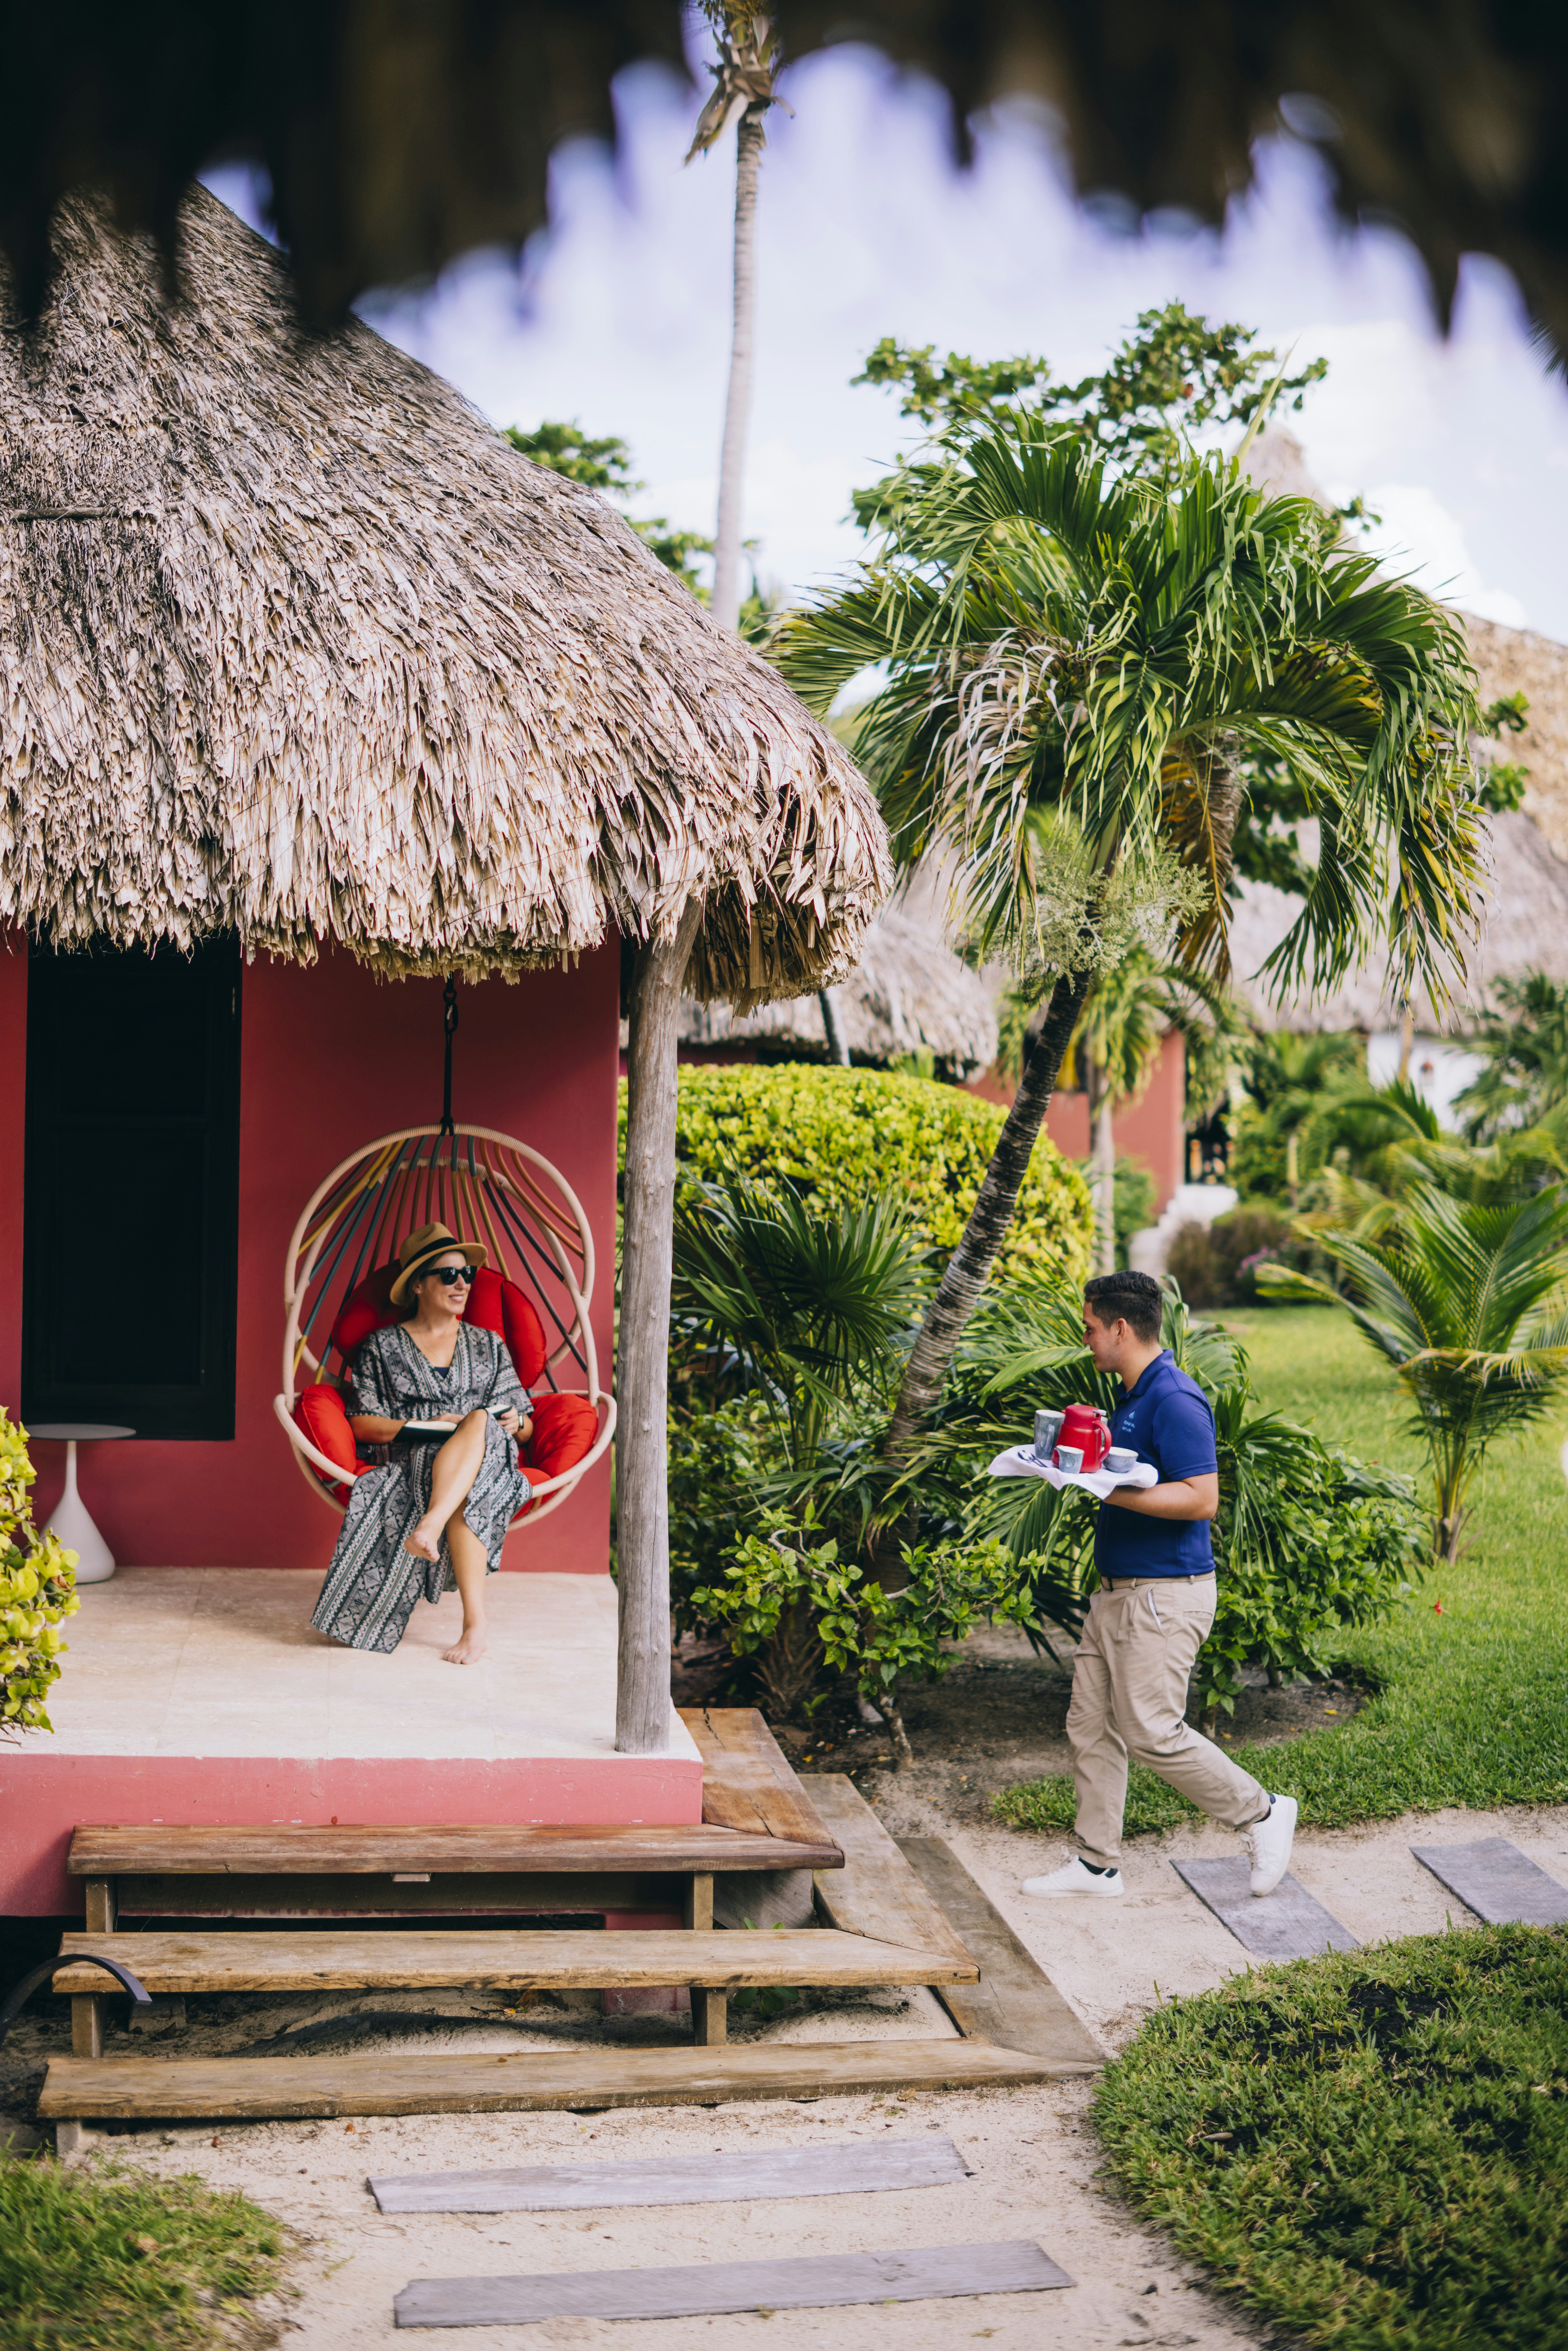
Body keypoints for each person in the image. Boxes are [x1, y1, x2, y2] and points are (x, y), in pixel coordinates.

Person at [1022, 1268, 1297, 1901]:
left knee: (1151, 1731)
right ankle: (1096, 1866)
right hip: (1116, 1592)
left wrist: (1109, 1489)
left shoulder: (1173, 1397)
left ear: (1121, 1328)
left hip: (1162, 1595)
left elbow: (1201, 1498)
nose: (1084, 1339)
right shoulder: (1133, 1395)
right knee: (1090, 1724)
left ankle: (1261, 1811)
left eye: (1090, 1329)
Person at [309, 1221, 533, 1663]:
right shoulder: (381, 1347)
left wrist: (511, 1420)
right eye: (448, 1275)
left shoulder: (489, 1345)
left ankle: (430, 1526)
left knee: (483, 1424)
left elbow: (525, 1429)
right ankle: (476, 1625)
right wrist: (428, 1424)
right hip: (417, 1457)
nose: (462, 1283)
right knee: (474, 1466)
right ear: (417, 1284)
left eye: (467, 1274)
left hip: (491, 1450)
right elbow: (363, 1424)